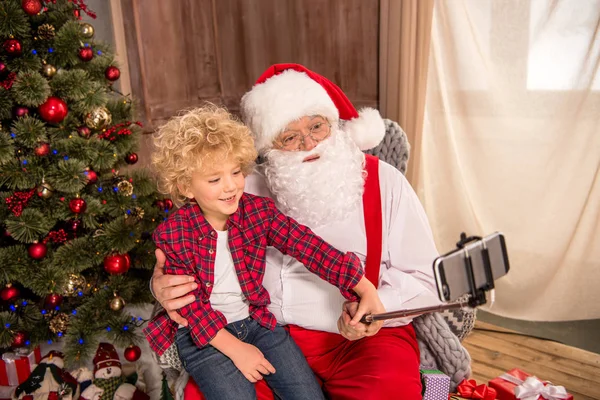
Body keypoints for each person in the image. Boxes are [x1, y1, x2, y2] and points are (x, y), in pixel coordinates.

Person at [152, 64, 442, 399]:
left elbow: (426, 279)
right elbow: (185, 262)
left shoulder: (385, 182)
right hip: (261, 333)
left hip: (365, 343)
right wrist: (160, 286)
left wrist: (373, 302)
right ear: (268, 146)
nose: (308, 143)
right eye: (289, 136)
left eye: (317, 126)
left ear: (334, 124)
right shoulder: (244, 189)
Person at [143, 105, 385, 400]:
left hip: (257, 322)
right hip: (204, 337)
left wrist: (362, 285)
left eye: (235, 172)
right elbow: (191, 308)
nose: (231, 186)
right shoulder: (174, 233)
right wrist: (238, 351)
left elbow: (308, 246)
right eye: (214, 179)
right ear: (186, 186)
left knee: (308, 395)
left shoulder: (257, 212)